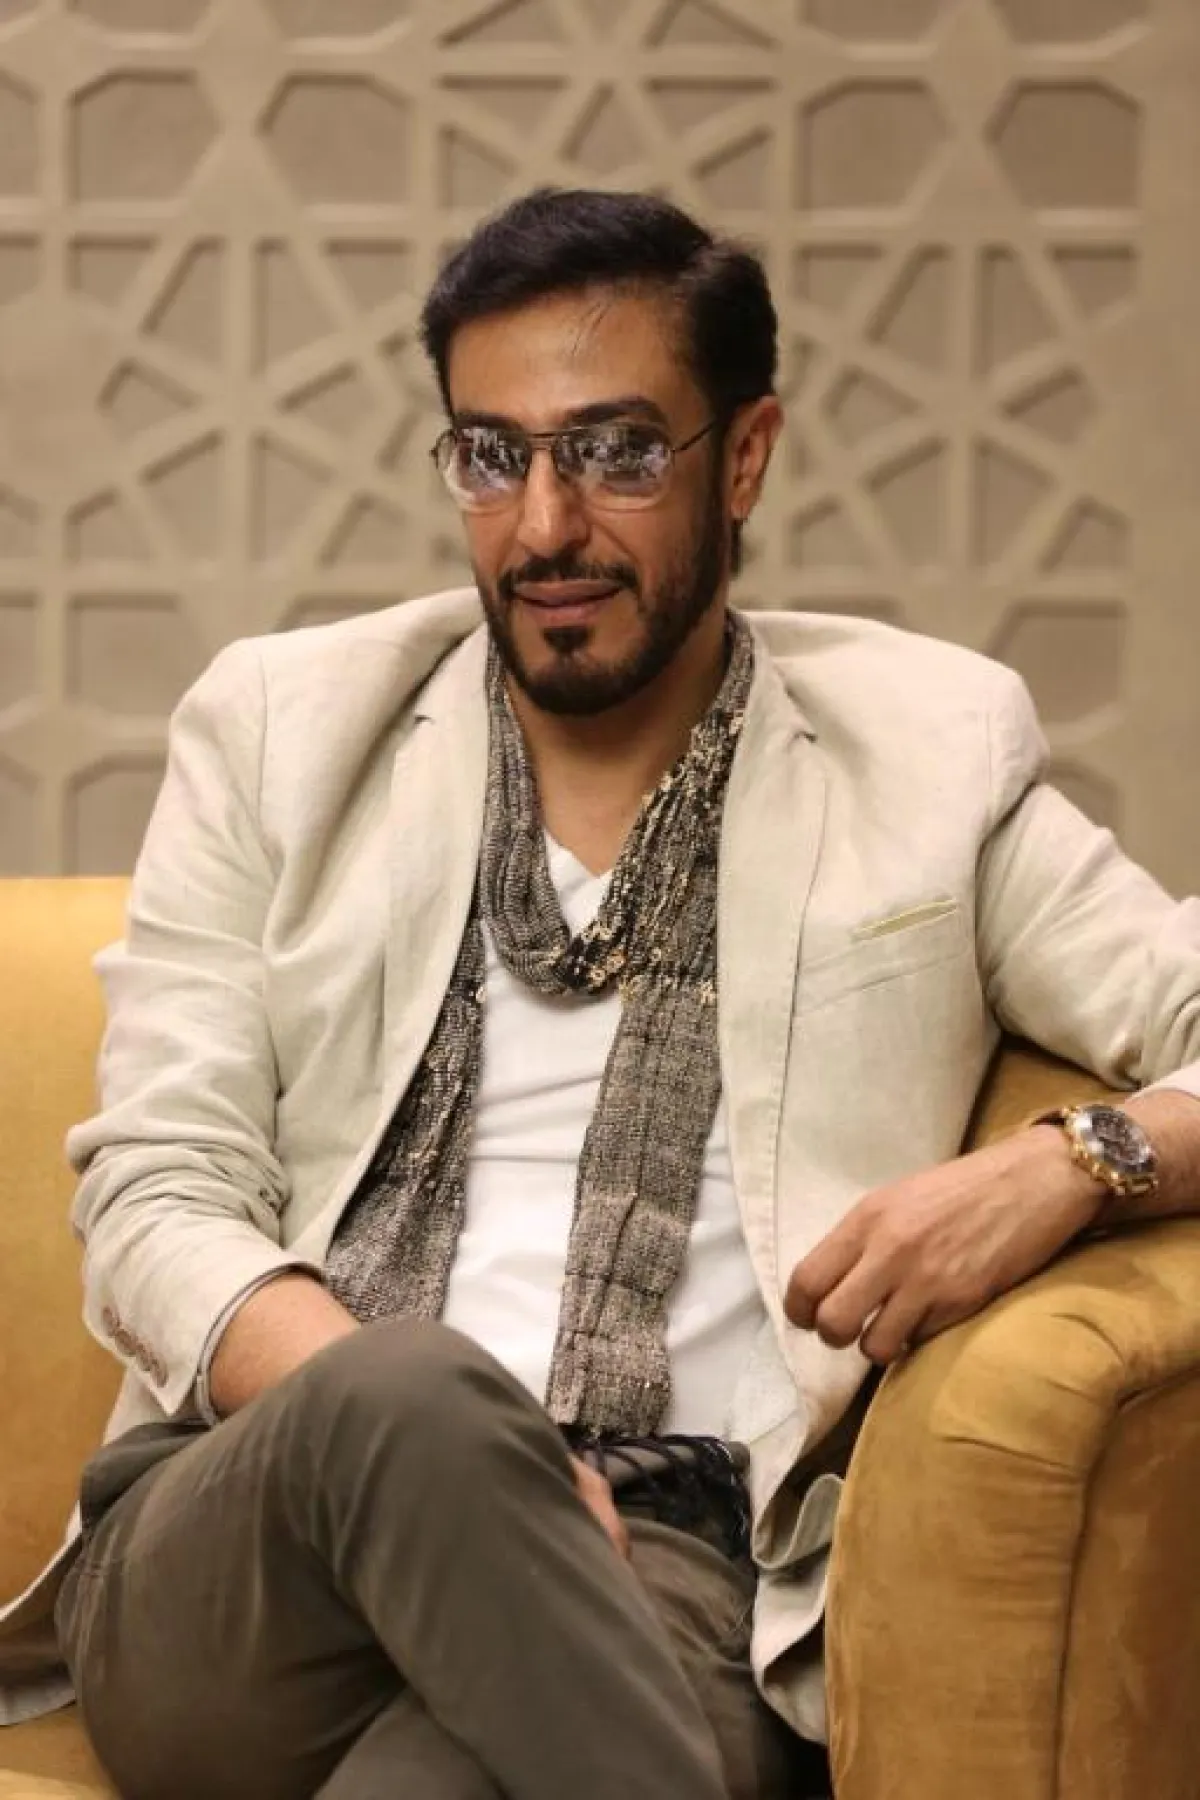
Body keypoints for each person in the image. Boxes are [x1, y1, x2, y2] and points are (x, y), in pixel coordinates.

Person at [4, 184, 1199, 1800]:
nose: (545, 527)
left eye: (618, 452)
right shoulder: (282, 731)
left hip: (671, 1561)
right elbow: (157, 1194)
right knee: (419, 1390)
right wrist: (465, 1456)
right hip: (253, 1550)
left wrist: (1070, 1163)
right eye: (491, 456)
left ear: (745, 456)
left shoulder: (927, 760)